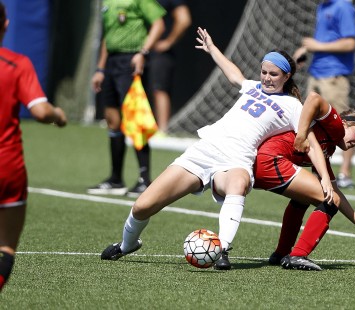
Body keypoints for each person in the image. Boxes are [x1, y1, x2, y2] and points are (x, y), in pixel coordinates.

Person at [100, 27, 333, 271]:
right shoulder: (253, 87)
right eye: (263, 72)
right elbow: (234, 74)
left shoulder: (293, 107)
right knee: (142, 206)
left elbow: (311, 143)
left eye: (273, 74)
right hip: (205, 151)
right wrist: (212, 49)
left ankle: (222, 249)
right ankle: (127, 245)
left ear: (286, 77)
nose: (266, 78)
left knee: (238, 184)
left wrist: (325, 178)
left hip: (237, 160)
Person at [253, 92, 355, 271]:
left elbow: (335, 190)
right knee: (329, 200)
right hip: (270, 160)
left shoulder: (327, 147)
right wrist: (301, 134)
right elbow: (314, 97)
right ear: (344, 124)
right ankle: (298, 255)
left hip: (261, 163)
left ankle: (281, 253)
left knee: (309, 197)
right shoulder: (336, 127)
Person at [0, 1, 67, 292]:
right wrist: (59, 115)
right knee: (5, 247)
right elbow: (41, 112)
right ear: (5, 25)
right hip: (7, 168)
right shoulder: (16, 64)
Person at [88, 0, 166, 198]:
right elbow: (109, 36)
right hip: (112, 63)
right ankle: (115, 179)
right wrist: (100, 68)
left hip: (131, 60)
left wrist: (143, 53)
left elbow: (159, 24)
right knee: (113, 120)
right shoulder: (107, 2)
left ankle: (144, 179)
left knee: (135, 118)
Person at [292, 0, 355, 189]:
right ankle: (316, 169)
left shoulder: (343, 6)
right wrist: (305, 50)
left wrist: (316, 45)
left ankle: (345, 173)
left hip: (334, 77)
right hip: (316, 74)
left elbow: (349, 43)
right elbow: (325, 38)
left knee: (345, 125)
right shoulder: (323, 6)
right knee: (309, 124)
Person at [149, 0, 191, 137]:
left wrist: (168, 42)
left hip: (160, 54)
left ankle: (162, 130)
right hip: (139, 51)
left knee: (159, 88)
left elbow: (184, 19)